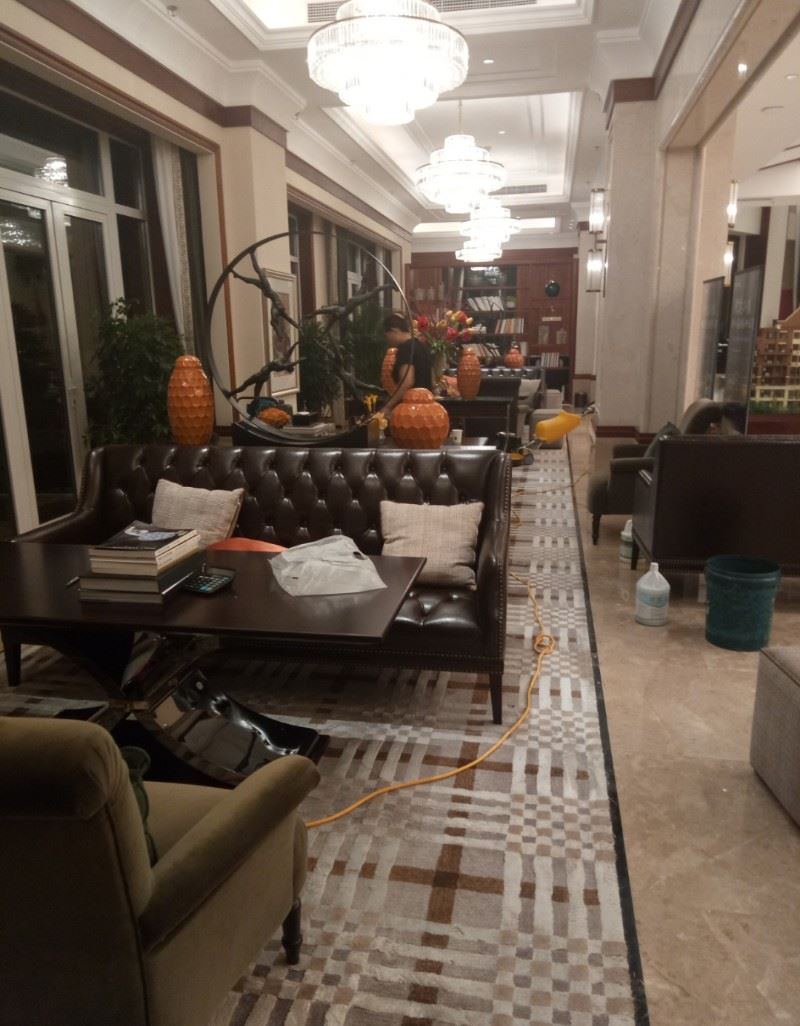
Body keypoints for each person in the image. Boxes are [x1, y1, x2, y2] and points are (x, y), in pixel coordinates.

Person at [382, 312, 433, 416]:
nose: (388, 341)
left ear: (394, 331)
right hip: (427, 409)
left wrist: (388, 406)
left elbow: (407, 382)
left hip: (410, 412)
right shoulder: (422, 347)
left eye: (387, 336)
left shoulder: (405, 348)